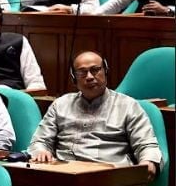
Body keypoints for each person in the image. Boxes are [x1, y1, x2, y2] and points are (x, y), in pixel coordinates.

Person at [29, 51, 162, 177]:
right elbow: (41, 141)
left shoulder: (128, 106)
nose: (89, 77)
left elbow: (146, 144)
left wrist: (148, 162)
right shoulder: (60, 105)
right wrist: (41, 151)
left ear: (105, 71)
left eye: (95, 70)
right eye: (82, 72)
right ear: (73, 77)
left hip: (110, 177)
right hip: (65, 176)